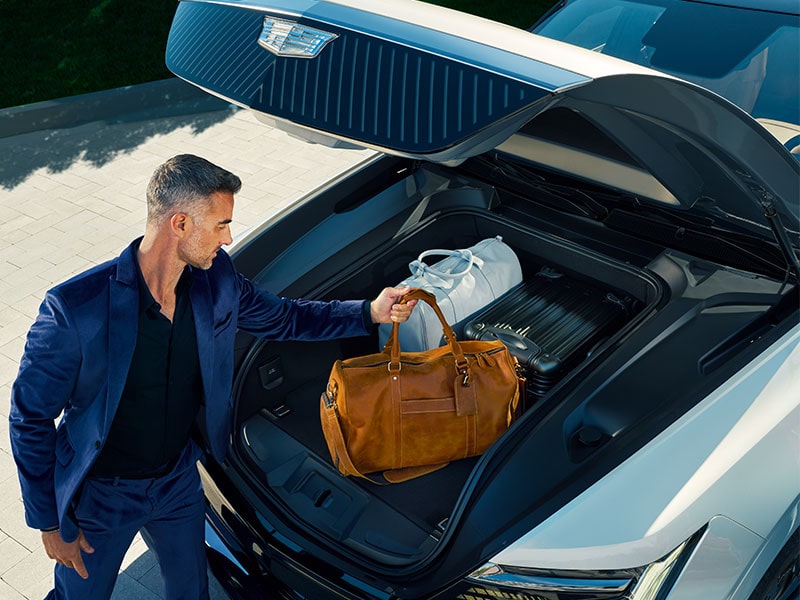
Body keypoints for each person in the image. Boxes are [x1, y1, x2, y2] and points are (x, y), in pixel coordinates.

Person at [8, 154, 417, 600]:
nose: (228, 238)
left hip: (177, 481)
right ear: (179, 224)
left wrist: (368, 312)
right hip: (101, 497)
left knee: (192, 591)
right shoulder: (75, 309)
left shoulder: (215, 279)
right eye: (221, 224)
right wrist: (48, 522)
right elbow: (29, 417)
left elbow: (284, 317)